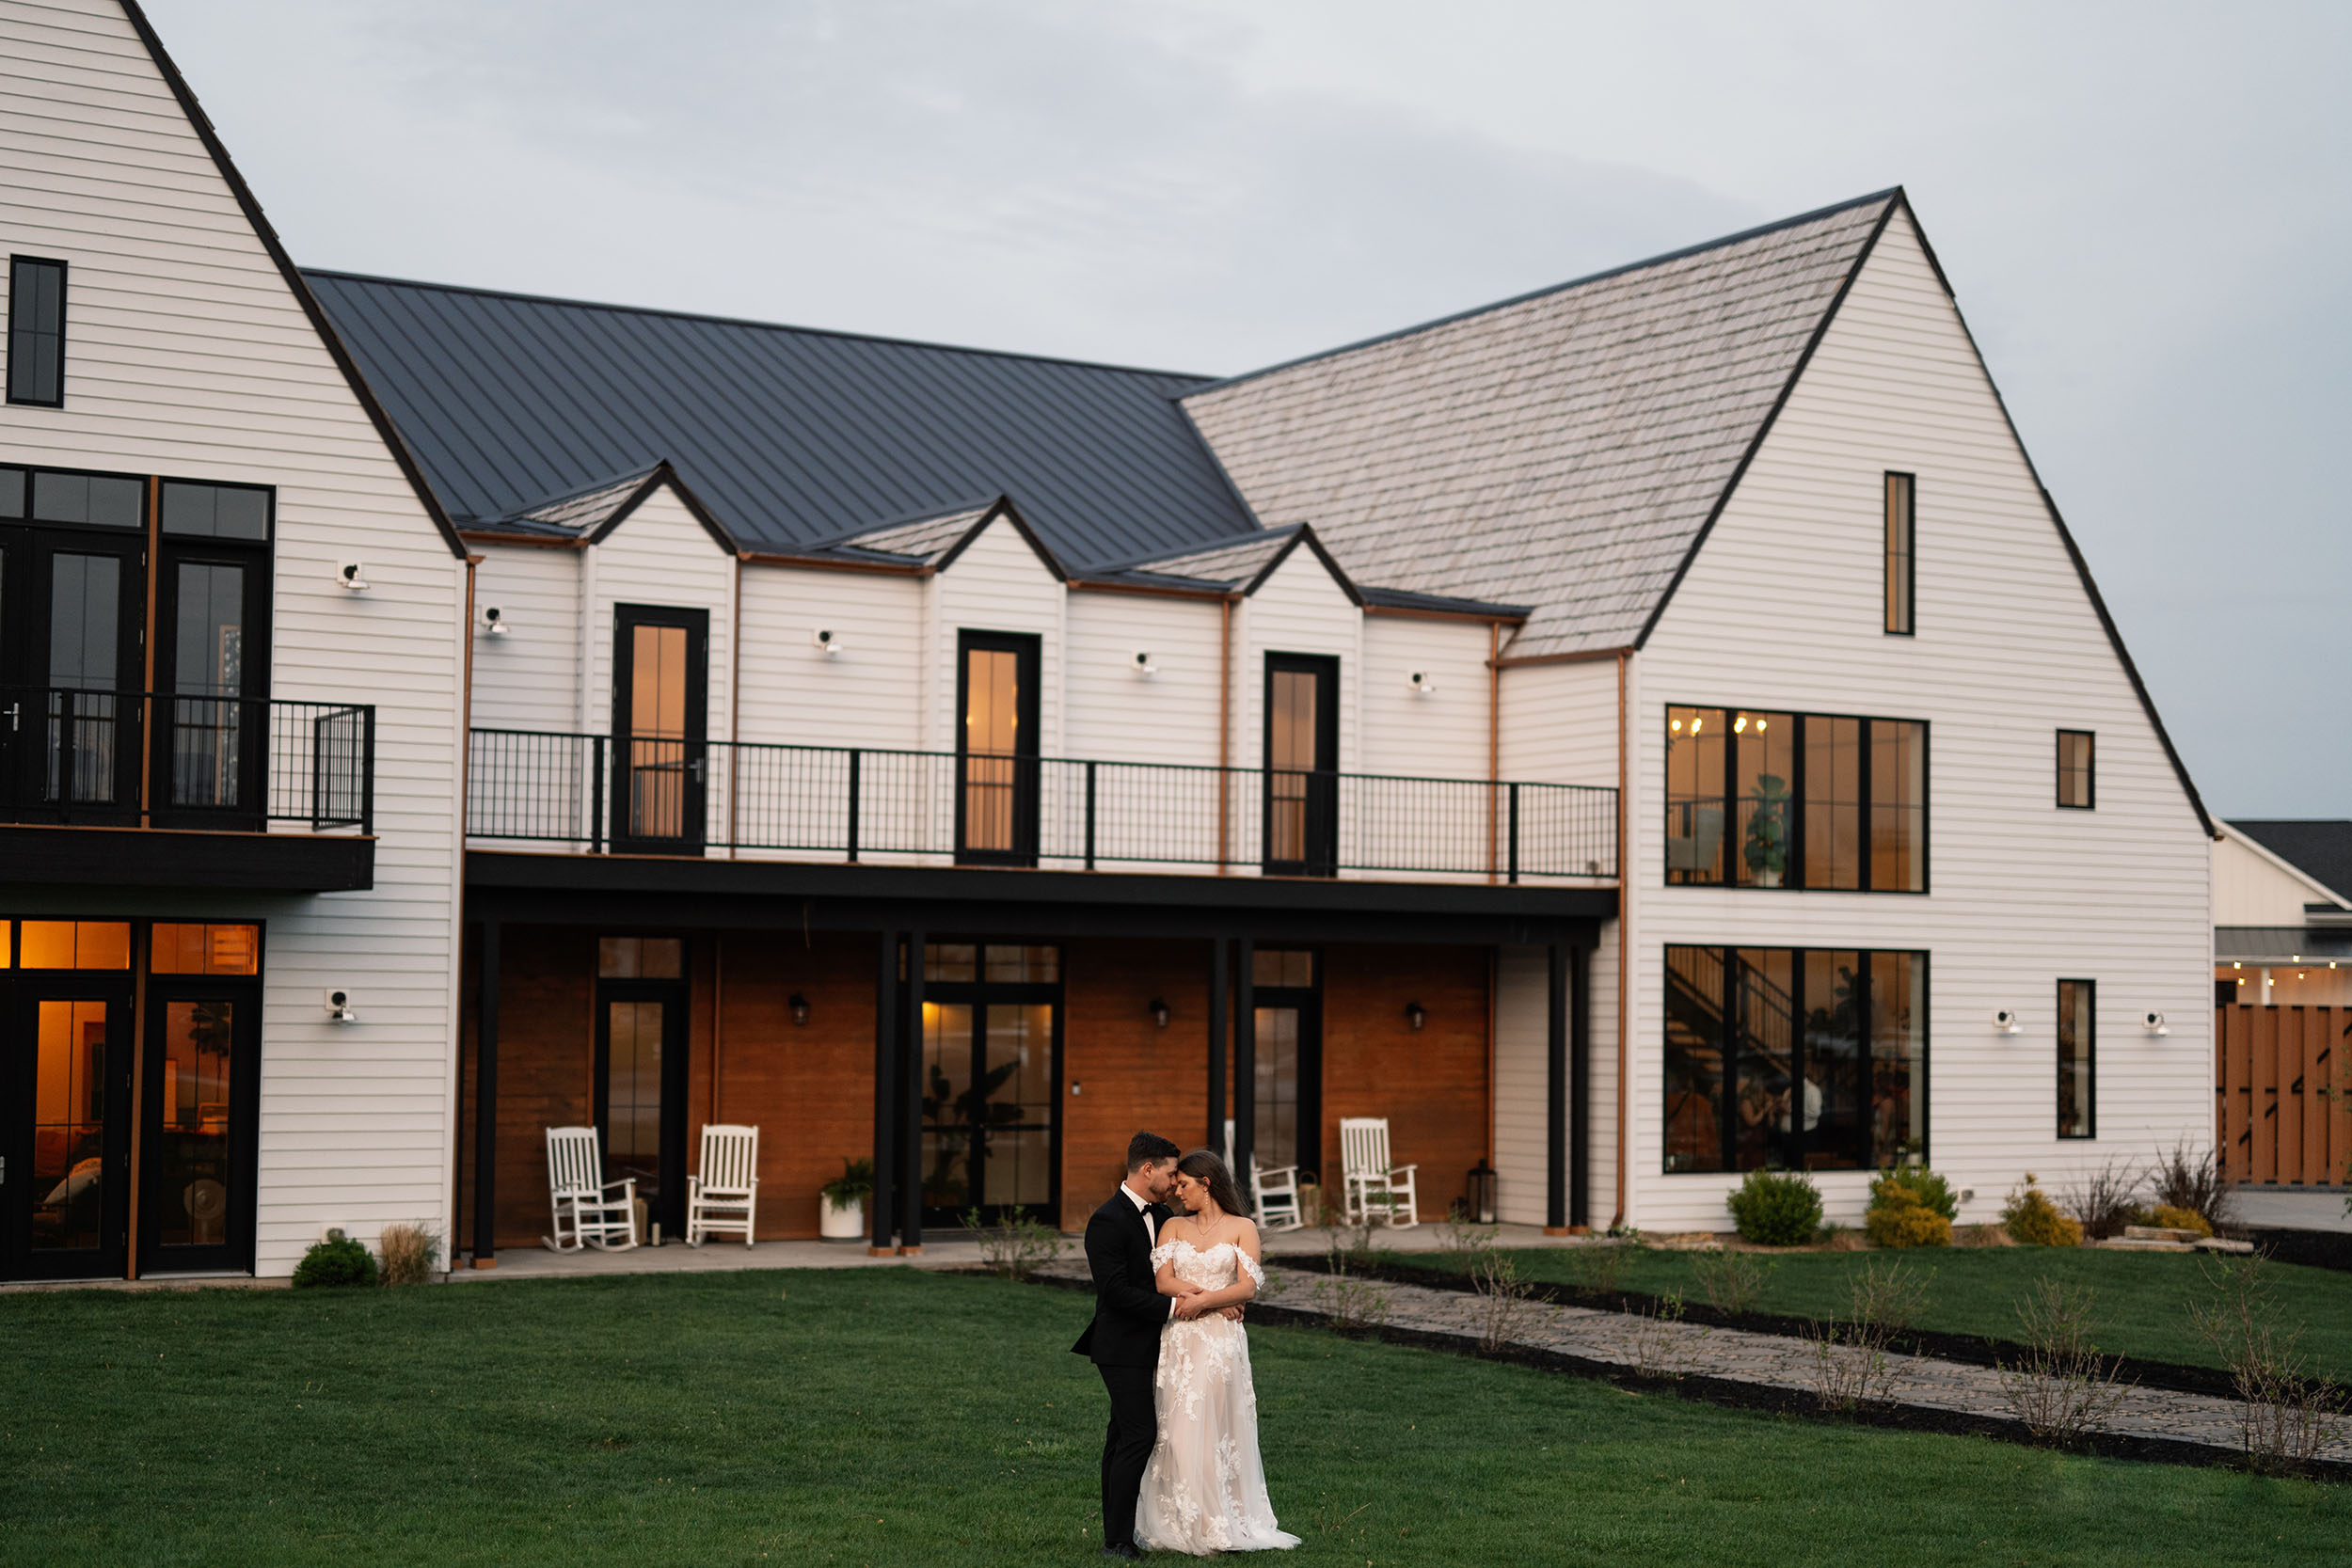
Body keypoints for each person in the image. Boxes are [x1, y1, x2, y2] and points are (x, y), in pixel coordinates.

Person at [1134, 1148, 1299, 1556]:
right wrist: (1210, 1300)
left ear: (1206, 1185)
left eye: (1184, 1185)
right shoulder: (1172, 1225)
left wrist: (1204, 1302)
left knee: (1213, 1426)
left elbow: (1247, 1287)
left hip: (1220, 1341)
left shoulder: (1243, 1227)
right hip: (1181, 1341)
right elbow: (1162, 1281)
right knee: (1176, 1429)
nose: (1177, 1191)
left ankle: (1218, 1520)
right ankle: (1180, 1519)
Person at [1073, 1132, 1191, 1560]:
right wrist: (1177, 1305)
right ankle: (1117, 1541)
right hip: (1120, 1347)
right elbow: (1116, 1292)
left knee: (1121, 1435)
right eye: (1171, 1172)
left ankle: (1116, 1534)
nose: (1176, 1182)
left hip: (1156, 1343)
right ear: (1148, 1169)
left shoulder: (1162, 1216)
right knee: (1140, 1434)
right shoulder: (1107, 1220)